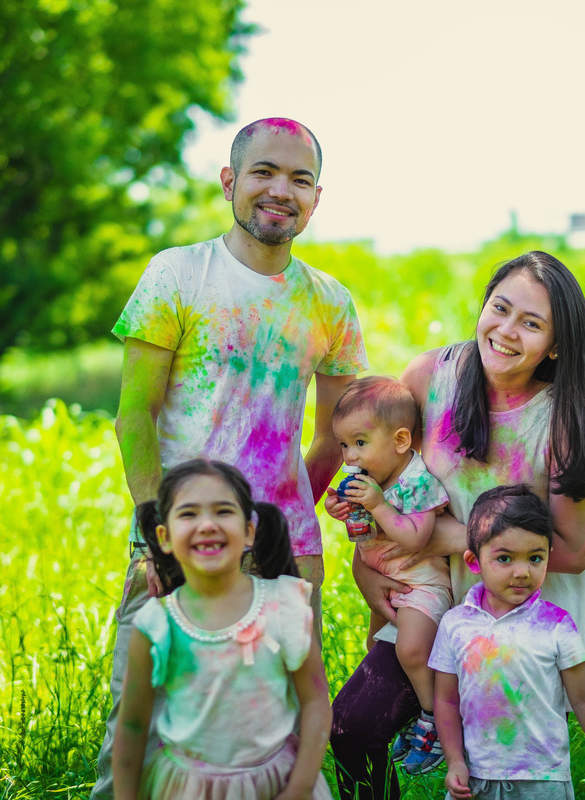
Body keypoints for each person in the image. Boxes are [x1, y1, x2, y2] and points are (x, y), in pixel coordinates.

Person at [96, 117, 368, 798]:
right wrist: (160, 525)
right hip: (177, 539)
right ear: (230, 182)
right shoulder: (177, 275)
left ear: (316, 197)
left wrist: (280, 520)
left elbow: (337, 433)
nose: (282, 190)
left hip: (285, 555)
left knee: (277, 737)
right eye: (264, 173)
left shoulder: (330, 302)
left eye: (300, 179)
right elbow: (136, 412)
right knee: (143, 732)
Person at [329, 251, 585, 800]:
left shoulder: (563, 419)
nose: (506, 331)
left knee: (499, 781)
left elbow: (575, 549)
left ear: (556, 344)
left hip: (517, 621)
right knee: (350, 729)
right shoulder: (429, 378)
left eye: (531, 324)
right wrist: (365, 566)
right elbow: (386, 476)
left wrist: (445, 537)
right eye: (500, 308)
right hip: (433, 600)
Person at [112, 459, 332, 800]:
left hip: (276, 784)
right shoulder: (156, 625)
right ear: (164, 537)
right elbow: (132, 725)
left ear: (248, 531)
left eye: (223, 511)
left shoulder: (284, 607)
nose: (207, 525)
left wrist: (300, 788)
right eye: (188, 514)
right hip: (186, 790)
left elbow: (316, 702)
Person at [433, 485, 585, 800]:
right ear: (473, 561)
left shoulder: (556, 626)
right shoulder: (455, 625)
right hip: (474, 779)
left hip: (543, 781)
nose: (522, 571)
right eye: (505, 558)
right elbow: (446, 701)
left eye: (535, 558)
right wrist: (454, 761)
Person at [325, 376, 451, 775]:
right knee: (372, 646)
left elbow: (416, 538)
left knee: (411, 650)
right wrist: (343, 511)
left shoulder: (416, 482)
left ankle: (437, 721)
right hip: (390, 581)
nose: (349, 457)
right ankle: (413, 713)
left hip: (423, 584)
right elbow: (364, 536)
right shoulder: (375, 479)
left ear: (400, 440)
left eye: (359, 443)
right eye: (344, 445)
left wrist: (378, 506)